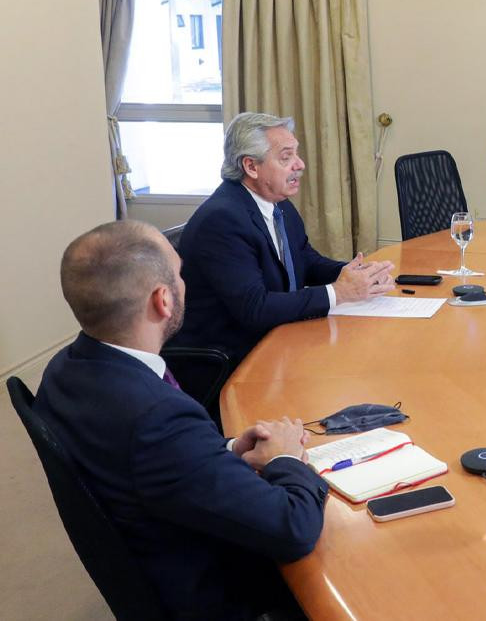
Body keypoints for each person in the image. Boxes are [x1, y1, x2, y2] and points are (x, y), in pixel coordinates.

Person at [35, 220, 328, 620]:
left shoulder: (62, 370)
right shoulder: (158, 419)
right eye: (180, 274)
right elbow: (293, 529)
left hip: (159, 537)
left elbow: (156, 464)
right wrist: (287, 458)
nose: (186, 282)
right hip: (215, 592)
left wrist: (222, 450)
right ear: (163, 300)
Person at [170, 112, 395, 364]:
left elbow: (305, 260)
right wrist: (338, 292)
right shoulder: (222, 221)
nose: (300, 165)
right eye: (286, 157)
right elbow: (255, 308)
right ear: (251, 166)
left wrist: (358, 275)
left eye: (296, 154)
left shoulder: (276, 202)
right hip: (231, 359)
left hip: (276, 340)